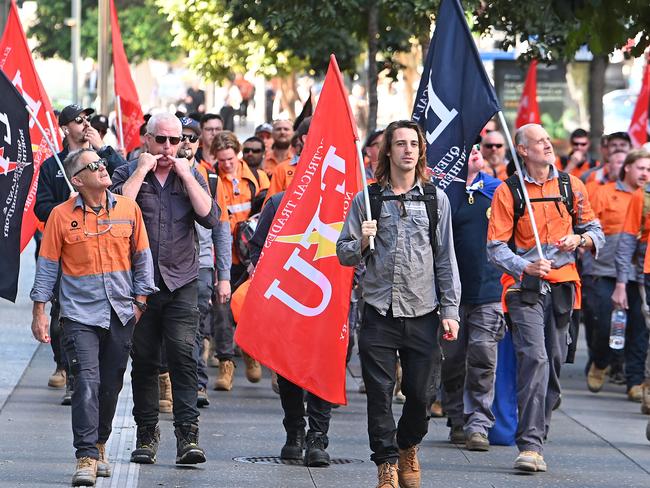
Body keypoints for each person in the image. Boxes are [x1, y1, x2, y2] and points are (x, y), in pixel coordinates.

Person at [337, 120, 461, 488]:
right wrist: (361, 240)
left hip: (423, 312)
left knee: (422, 396)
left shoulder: (436, 200)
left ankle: (408, 445)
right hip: (378, 312)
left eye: (413, 144)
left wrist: (450, 312)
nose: (407, 150)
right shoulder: (367, 198)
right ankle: (387, 463)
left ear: (421, 151)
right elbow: (343, 254)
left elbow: (445, 259)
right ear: (387, 151)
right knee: (379, 394)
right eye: (400, 144)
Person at [30, 148, 156, 486]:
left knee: (111, 383)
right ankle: (85, 455)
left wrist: (140, 301)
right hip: (78, 315)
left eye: (101, 162)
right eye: (93, 165)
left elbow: (143, 256)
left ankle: (100, 442)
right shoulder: (59, 215)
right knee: (86, 382)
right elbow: (47, 268)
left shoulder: (128, 209)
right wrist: (39, 311)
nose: (102, 168)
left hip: (121, 311)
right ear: (77, 180)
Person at [487, 123, 604, 473]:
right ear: (522, 150)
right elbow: (495, 247)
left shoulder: (572, 186)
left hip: (565, 287)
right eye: (539, 141)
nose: (548, 145)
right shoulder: (509, 192)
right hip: (524, 289)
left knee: (552, 364)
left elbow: (595, 231)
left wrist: (579, 241)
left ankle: (539, 424)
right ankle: (530, 445)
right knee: (534, 360)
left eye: (548, 140)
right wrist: (526, 265)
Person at [111, 112, 219, 465]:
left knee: (183, 357)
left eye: (176, 141)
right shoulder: (128, 173)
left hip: (181, 282)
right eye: (162, 140)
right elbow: (114, 215)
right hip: (139, 286)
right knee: (143, 361)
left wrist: (187, 174)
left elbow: (210, 216)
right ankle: (146, 434)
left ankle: (188, 436)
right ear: (147, 139)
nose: (169, 148)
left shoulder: (190, 173)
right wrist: (141, 171)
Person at [35, 104, 126, 404]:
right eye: (78, 120)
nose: (85, 124)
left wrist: (103, 148)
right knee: (65, 314)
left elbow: (124, 176)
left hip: (104, 254)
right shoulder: (53, 166)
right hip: (66, 251)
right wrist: (68, 210)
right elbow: (41, 207)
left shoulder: (101, 160)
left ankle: (90, 373)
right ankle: (70, 372)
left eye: (87, 119)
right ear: (64, 129)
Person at [247, 190, 334, 467]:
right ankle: (295, 430)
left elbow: (354, 247)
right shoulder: (278, 203)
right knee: (288, 368)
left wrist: (351, 281)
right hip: (287, 299)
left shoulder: (340, 202)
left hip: (327, 298)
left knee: (323, 366)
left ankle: (318, 436)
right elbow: (257, 247)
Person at [439, 146, 504, 451]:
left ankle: (478, 423)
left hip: (488, 290)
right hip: (451, 293)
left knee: (482, 356)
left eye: (478, 146)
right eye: (468, 147)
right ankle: (456, 418)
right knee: (452, 359)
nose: (475, 152)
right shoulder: (442, 194)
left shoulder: (498, 191)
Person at [583, 150, 650, 396]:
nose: (645, 174)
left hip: (639, 272)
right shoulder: (604, 192)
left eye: (649, 170)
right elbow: (589, 228)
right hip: (605, 270)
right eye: (641, 168)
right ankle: (600, 362)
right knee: (604, 321)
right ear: (628, 168)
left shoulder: (647, 196)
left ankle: (635, 382)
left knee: (639, 328)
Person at [178, 117, 232, 408]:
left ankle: (196, 383)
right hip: (164, 267)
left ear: (199, 143)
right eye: (179, 136)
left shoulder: (211, 180)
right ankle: (169, 382)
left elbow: (222, 231)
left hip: (200, 265)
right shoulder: (155, 173)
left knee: (194, 327)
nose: (185, 142)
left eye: (191, 137)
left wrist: (223, 276)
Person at [212, 131, 268, 391]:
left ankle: (251, 351)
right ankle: (226, 363)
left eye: (230, 158)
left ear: (239, 154)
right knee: (222, 309)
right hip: (225, 256)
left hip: (253, 256)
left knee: (252, 308)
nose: (226, 164)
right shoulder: (213, 180)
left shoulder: (257, 178)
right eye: (221, 160)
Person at [613, 149, 650, 404]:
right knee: (642, 331)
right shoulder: (643, 196)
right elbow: (626, 242)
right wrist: (621, 283)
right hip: (646, 273)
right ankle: (641, 383)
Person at [266, 117, 309, 200]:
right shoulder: (262, 159)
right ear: (272, 133)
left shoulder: (300, 162)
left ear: (293, 133)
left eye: (286, 129)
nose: (282, 132)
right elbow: (270, 203)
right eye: (278, 129)